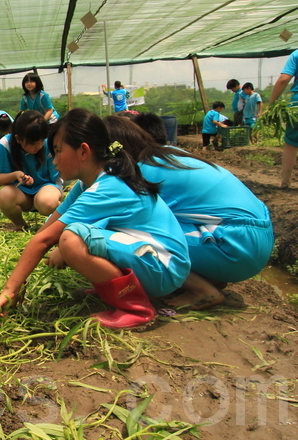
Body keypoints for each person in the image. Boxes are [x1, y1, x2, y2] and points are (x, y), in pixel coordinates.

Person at [0, 109, 190, 329]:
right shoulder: (87, 183)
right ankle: (114, 286)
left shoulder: (107, 187)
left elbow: (46, 240)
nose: (55, 161)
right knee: (67, 240)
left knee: (71, 240)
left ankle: (136, 308)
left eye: (59, 151)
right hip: (148, 256)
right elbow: (48, 228)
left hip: (163, 268)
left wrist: (8, 291)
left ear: (83, 151)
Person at [104, 115, 273, 310]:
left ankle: (201, 290)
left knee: (124, 231)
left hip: (237, 245)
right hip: (257, 237)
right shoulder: (170, 155)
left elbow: (112, 215)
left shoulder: (142, 171)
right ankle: (210, 278)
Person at [0, 110, 62, 231]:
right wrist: (15, 175)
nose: (38, 146)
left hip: (46, 187)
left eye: (41, 141)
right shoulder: (5, 144)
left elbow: (56, 177)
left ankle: (60, 220)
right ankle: (20, 225)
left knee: (47, 203)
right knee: (4, 195)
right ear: (18, 138)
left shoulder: (48, 143)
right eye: (33, 143)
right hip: (22, 193)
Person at [268, 49, 298, 188]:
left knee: (292, 143)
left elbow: (284, 79)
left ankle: (285, 181)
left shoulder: (296, 54)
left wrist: (271, 103)